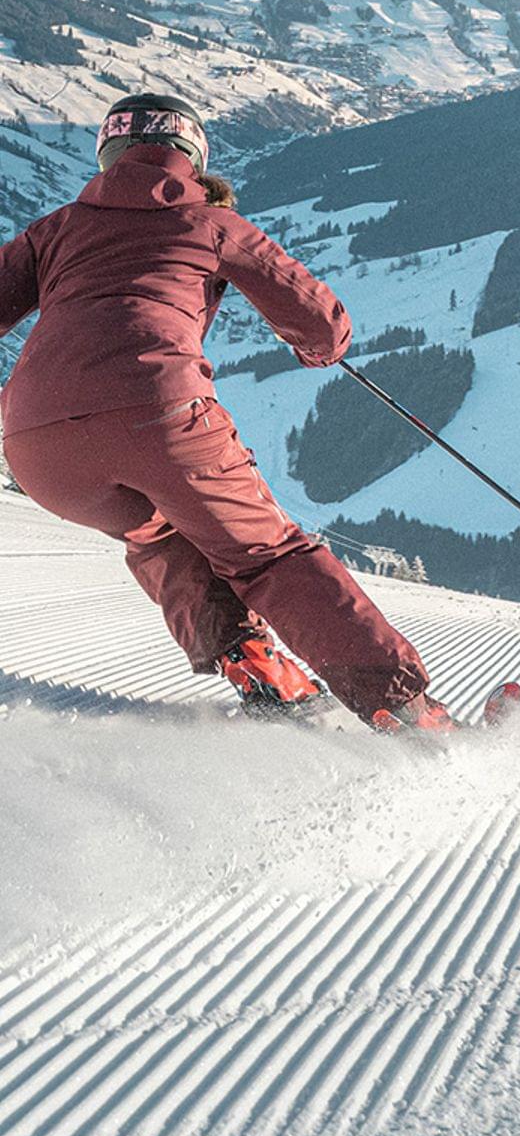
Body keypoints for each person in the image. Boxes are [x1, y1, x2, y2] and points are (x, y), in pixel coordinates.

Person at [0, 92, 454, 733]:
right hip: (158, 412)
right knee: (269, 556)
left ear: (108, 153)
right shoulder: (210, 222)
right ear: (191, 155)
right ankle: (404, 708)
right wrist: (315, 349)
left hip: (35, 444)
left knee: (157, 530)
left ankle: (259, 668)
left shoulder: (56, 228)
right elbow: (321, 323)